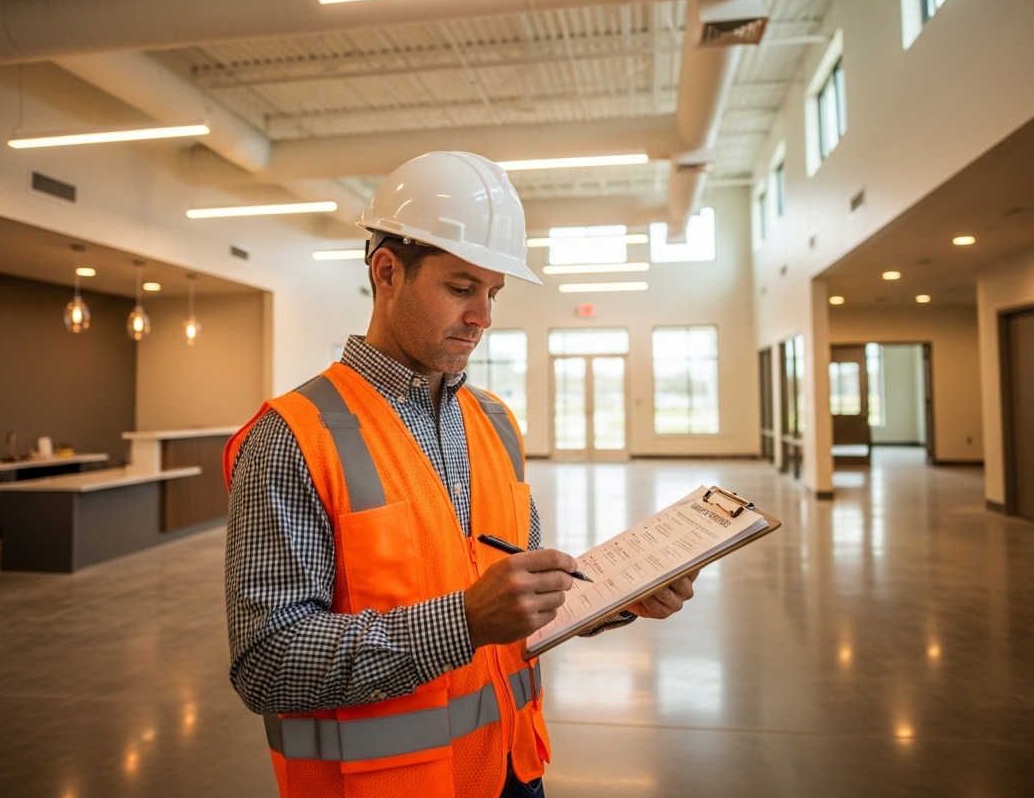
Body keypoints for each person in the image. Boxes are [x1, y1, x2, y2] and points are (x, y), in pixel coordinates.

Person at [223, 151, 698, 798]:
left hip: (511, 770)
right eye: (461, 287)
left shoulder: (495, 423)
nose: (485, 316)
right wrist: (464, 624)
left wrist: (610, 597)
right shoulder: (294, 437)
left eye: (494, 292)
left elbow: (508, 592)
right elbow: (267, 664)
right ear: (387, 271)